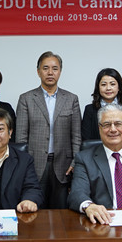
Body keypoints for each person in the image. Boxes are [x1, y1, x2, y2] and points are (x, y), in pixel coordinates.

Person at [16, 51, 81, 209]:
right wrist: (24, 164)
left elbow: (76, 136)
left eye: (55, 68)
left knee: (62, 213)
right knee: (35, 210)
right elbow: (21, 138)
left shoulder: (71, 99)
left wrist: (75, 162)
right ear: (38, 71)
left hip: (64, 165)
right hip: (34, 164)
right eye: (45, 68)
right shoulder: (26, 99)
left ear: (60, 71)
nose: (50, 72)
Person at [81, 68, 122, 141]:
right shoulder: (90, 110)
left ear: (119, 87)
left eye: (112, 84)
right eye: (103, 84)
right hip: (97, 148)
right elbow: (86, 140)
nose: (108, 88)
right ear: (98, 88)